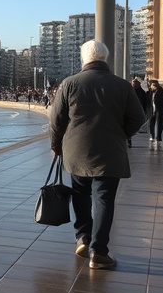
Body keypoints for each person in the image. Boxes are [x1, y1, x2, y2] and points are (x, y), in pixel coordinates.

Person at [49, 40, 146, 270]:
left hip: (77, 151)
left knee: (80, 194)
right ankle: (99, 252)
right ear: (105, 58)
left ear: (84, 59)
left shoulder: (69, 84)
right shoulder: (123, 86)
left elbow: (56, 121)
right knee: (103, 199)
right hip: (110, 151)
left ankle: (83, 238)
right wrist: (122, 134)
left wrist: (56, 146)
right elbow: (139, 118)